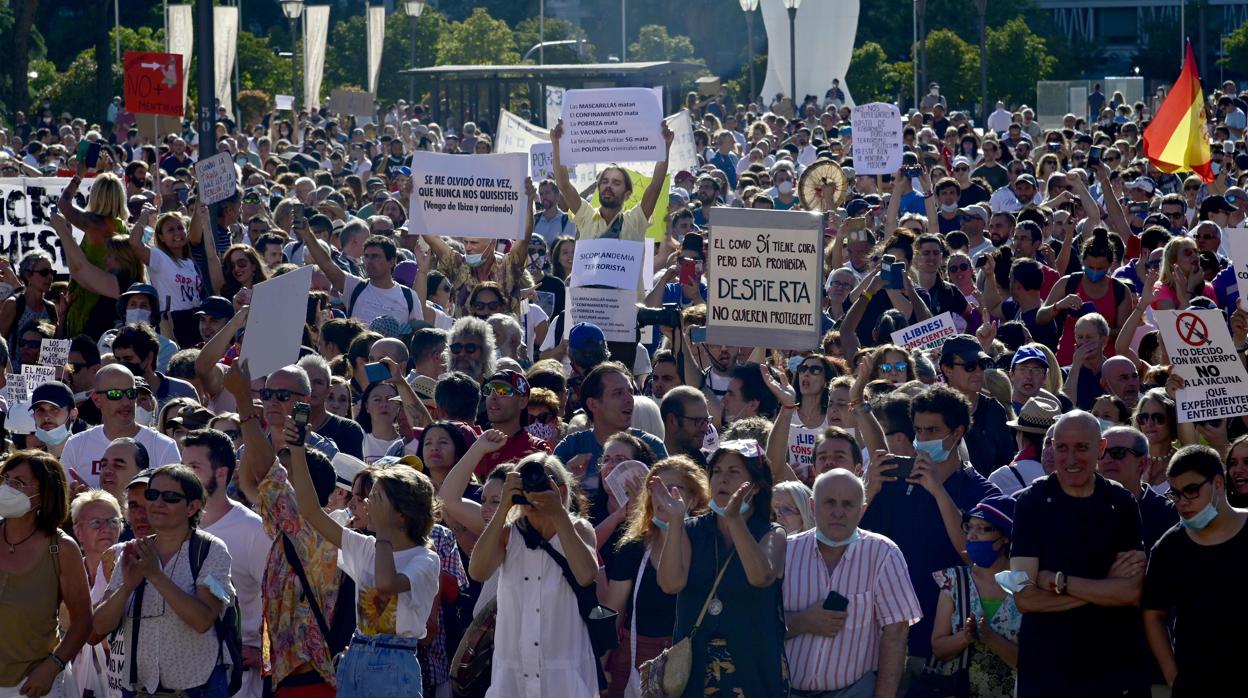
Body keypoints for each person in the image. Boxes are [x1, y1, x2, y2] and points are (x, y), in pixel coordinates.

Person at [284, 415, 440, 698]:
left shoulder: (425, 559)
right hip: (356, 652)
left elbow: (385, 584)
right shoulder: (368, 546)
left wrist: (382, 532)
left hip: (394, 662)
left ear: (402, 515)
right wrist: (297, 451)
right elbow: (311, 512)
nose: (367, 505)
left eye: (377, 499)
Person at [859, 383, 1000, 677]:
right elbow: (858, 540)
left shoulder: (983, 492)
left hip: (944, 641)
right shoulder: (900, 479)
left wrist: (938, 491)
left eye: (932, 431)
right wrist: (869, 491)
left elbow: (974, 557)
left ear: (957, 433)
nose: (922, 439)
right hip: (887, 635)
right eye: (918, 430)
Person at [1008, 411, 1151, 698]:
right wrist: (1105, 586)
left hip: (1112, 668)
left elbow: (1131, 593)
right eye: (1062, 448)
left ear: (1100, 449)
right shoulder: (1031, 504)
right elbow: (1024, 597)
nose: (1071, 459)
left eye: (1081, 448)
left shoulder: (1120, 502)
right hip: (1048, 671)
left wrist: (1060, 583)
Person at [653, 439, 789, 697]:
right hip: (695, 676)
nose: (722, 479)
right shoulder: (691, 528)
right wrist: (675, 521)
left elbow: (760, 576)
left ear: (757, 486)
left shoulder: (772, 533)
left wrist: (734, 519)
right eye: (716, 471)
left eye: (733, 472)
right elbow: (671, 584)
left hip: (753, 674)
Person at [91, 464, 236, 697]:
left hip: (199, 688)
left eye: (170, 497)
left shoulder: (211, 550)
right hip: (139, 690)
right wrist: (127, 588)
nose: (157, 503)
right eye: (152, 494)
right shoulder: (133, 552)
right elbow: (97, 629)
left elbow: (203, 620)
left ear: (192, 507)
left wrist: (155, 575)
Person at [467, 453, 601, 697]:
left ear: (560, 490)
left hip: (564, 672)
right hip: (513, 673)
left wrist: (558, 514)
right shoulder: (508, 534)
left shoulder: (578, 528)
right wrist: (504, 507)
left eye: (540, 482)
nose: (532, 489)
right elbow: (478, 571)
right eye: (525, 483)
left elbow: (586, 575)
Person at [782, 469, 920, 697]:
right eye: (830, 503)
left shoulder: (883, 553)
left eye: (847, 504)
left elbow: (896, 633)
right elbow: (758, 623)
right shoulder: (785, 551)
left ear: (862, 510)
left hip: (854, 690)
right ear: (813, 507)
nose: (838, 512)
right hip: (786, 690)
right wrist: (802, 621)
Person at [1142, 445, 1248, 696]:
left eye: (1191, 491)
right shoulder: (1169, 548)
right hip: (1198, 684)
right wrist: (1174, 679)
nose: (1183, 503)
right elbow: (1153, 614)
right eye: (1175, 494)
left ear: (1219, 484)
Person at [183, 428, 273, 698]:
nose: (183, 476)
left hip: (237, 679)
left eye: (194, 467)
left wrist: (265, 653)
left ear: (221, 473)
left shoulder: (253, 531)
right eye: (181, 465)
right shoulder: (173, 528)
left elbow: (280, 599)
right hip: (182, 672)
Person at [0, 451, 92, 698]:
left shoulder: (61, 548)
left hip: (33, 686)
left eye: (18, 482)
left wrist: (53, 666)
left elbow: (83, 620)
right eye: (5, 478)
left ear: (43, 496)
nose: (7, 487)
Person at [929, 494, 1021, 698]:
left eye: (982, 528)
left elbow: (1032, 662)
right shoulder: (954, 581)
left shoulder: (1024, 586)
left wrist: (990, 637)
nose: (971, 535)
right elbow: (938, 648)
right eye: (969, 527)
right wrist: (966, 636)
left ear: (1006, 536)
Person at [59, 365, 182, 489]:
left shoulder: (164, 447)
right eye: (115, 394)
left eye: (131, 393)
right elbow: (61, 500)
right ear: (97, 400)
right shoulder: (76, 445)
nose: (126, 402)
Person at [1097, 426, 1179, 553]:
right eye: (1101, 452)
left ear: (1142, 463)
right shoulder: (1084, 507)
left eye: (1118, 452)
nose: (1107, 459)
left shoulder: (1169, 514)